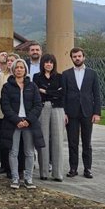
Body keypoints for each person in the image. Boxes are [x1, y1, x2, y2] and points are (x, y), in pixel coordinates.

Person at [0, 59, 44, 190]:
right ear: (13, 70)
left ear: (25, 70)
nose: (19, 69)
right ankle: (15, 178)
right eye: (17, 67)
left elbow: (37, 105)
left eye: (21, 67)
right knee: (13, 151)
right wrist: (17, 120)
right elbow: (5, 106)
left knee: (29, 152)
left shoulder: (32, 86)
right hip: (14, 123)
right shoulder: (7, 87)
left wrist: (28, 120)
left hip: (29, 123)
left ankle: (28, 178)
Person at [62, 47, 101, 179]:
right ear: (71, 58)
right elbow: (64, 95)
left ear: (83, 57)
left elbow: (96, 94)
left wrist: (97, 113)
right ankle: (73, 168)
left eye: (79, 56)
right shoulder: (66, 74)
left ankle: (87, 168)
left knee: (86, 142)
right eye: (74, 56)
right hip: (71, 113)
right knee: (72, 142)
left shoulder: (92, 73)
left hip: (87, 112)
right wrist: (64, 113)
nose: (77, 58)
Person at [33, 54, 66, 182]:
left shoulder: (60, 77)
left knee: (57, 140)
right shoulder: (37, 77)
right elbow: (36, 92)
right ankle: (44, 172)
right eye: (46, 62)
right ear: (43, 64)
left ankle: (57, 173)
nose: (49, 64)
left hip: (57, 109)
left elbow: (61, 93)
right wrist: (53, 92)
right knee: (43, 140)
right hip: (42, 109)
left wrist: (45, 91)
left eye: (51, 62)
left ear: (54, 64)